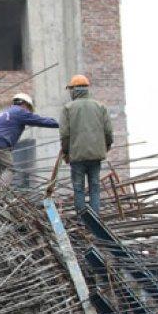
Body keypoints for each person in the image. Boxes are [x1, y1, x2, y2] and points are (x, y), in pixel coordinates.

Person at [60, 75, 112, 215]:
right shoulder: (100, 106)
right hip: (96, 156)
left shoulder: (68, 108)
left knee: (78, 188)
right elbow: (108, 131)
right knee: (95, 187)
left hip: (76, 156)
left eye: (70, 89)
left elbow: (65, 134)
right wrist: (105, 147)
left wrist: (66, 153)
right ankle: (95, 218)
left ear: (74, 90)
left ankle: (83, 220)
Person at [0, 93, 58, 185]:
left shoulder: (4, 113)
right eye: (29, 109)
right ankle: (0, 191)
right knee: (10, 168)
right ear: (25, 104)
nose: (29, 112)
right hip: (0, 142)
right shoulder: (20, 112)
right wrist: (61, 123)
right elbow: (41, 121)